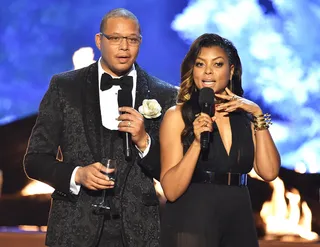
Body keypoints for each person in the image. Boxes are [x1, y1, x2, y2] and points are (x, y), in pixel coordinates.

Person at [23, 8, 177, 247]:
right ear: (99, 40)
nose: (124, 47)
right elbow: (35, 160)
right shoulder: (65, 87)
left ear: (140, 42)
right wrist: (77, 174)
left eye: (132, 39)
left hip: (138, 233)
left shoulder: (163, 94)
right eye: (115, 38)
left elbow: (172, 173)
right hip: (73, 229)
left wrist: (144, 141)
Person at [159, 33, 280, 247]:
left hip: (239, 218)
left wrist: (258, 114)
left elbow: (269, 172)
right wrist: (196, 143)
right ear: (192, 70)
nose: (208, 71)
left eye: (217, 64)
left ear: (231, 70)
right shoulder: (177, 116)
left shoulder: (245, 117)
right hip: (193, 221)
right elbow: (171, 190)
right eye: (200, 64)